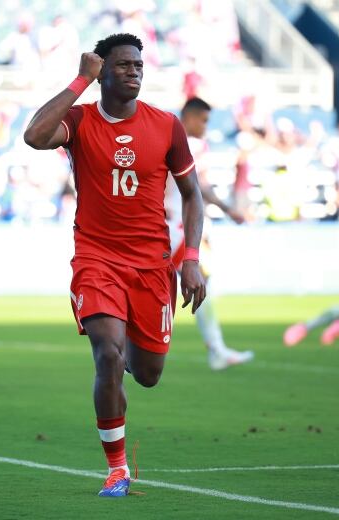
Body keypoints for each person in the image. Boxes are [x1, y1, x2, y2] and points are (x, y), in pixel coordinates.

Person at [23, 33, 206, 498]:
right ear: (103, 72)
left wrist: (191, 260)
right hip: (96, 259)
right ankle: (117, 469)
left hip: (151, 267)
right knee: (107, 355)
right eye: (123, 65)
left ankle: (125, 351)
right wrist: (80, 79)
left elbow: (193, 197)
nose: (134, 72)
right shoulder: (81, 121)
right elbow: (34, 136)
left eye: (139, 66)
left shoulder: (166, 126)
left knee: (146, 375)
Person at [165, 97, 253, 370]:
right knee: (197, 283)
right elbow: (198, 188)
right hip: (172, 230)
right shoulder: (179, 142)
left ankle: (216, 348)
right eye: (203, 120)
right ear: (189, 117)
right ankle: (216, 349)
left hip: (169, 226)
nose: (205, 126)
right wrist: (229, 208)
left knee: (195, 284)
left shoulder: (166, 138)